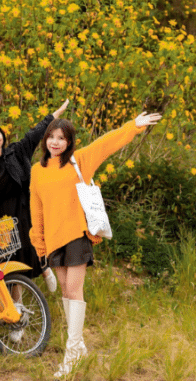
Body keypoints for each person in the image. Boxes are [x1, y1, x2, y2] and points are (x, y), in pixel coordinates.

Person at [29, 112, 162, 377]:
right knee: (66, 292)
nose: (55, 143)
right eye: (52, 138)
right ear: (45, 141)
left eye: (61, 138)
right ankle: (77, 348)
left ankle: (71, 353)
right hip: (54, 239)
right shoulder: (37, 170)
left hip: (77, 234)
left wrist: (132, 127)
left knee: (74, 291)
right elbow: (37, 209)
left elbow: (105, 144)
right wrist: (39, 244)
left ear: (69, 142)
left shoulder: (80, 161)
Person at [0, 101, 69, 285]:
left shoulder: (16, 152)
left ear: (2, 136)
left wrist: (55, 114)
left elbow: (35, 133)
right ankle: (17, 304)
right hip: (0, 218)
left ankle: (44, 267)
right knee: (9, 262)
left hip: (23, 208)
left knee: (29, 246)